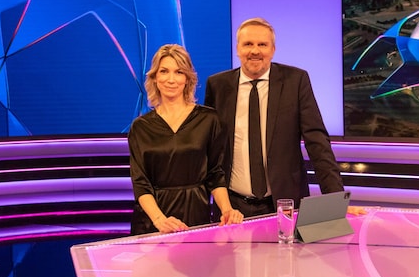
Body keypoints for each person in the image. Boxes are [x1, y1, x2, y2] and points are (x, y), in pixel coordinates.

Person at [204, 17, 365, 218]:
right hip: (233, 209)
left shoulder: (295, 81)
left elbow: (317, 142)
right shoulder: (218, 86)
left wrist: (335, 199)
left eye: (262, 44)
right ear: (238, 48)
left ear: (273, 49)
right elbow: (211, 149)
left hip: (286, 204)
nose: (255, 51)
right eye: (248, 44)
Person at [128, 44, 244, 235]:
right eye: (164, 71)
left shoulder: (208, 120)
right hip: (153, 222)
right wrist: (160, 221)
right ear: (155, 78)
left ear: (187, 78)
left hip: (196, 216)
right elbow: (141, 184)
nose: (171, 79)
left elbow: (215, 174)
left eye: (179, 72)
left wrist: (227, 210)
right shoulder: (140, 127)